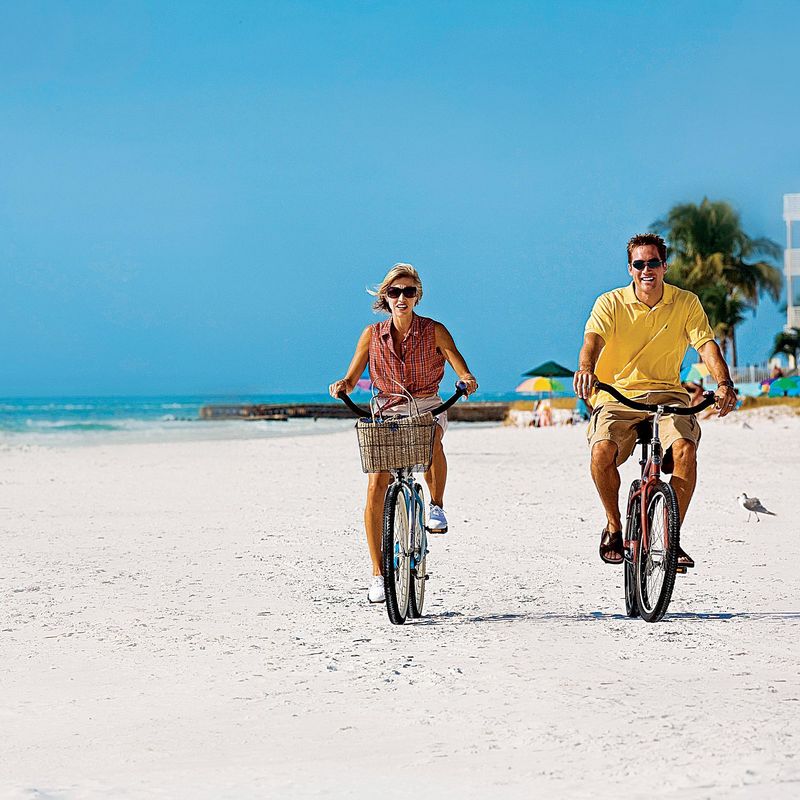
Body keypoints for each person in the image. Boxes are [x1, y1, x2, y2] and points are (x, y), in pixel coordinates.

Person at [574, 233, 737, 568]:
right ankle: (614, 525)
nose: (646, 269)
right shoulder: (610, 303)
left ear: (665, 266)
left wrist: (724, 383)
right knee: (601, 452)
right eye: (639, 264)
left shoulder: (686, 303)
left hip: (667, 394)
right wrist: (586, 369)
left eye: (653, 263)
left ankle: (671, 536)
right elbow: (593, 340)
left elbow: (706, 345)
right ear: (630, 268)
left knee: (685, 451)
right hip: (617, 395)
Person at [329, 263, 478, 603]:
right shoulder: (371, 335)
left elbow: (457, 362)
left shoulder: (434, 330)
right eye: (394, 292)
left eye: (409, 291)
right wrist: (342, 385)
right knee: (375, 483)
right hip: (385, 408)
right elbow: (352, 378)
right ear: (385, 297)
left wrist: (467, 378)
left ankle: (436, 505)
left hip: (425, 404)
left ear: (417, 296)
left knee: (432, 439)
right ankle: (378, 574)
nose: (401, 297)